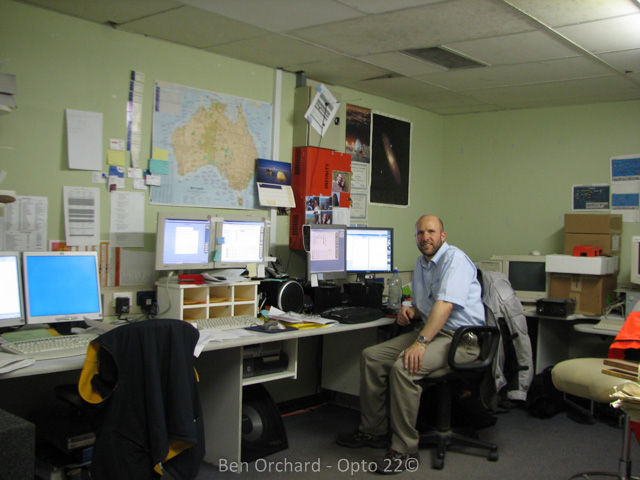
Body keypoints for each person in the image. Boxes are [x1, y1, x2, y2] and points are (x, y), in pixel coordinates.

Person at [336, 214, 485, 474]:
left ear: (442, 236)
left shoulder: (455, 260)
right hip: (432, 331)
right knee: (372, 356)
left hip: (461, 339)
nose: (425, 237)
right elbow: (426, 304)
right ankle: (374, 431)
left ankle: (404, 450)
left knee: (405, 367)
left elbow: (445, 305)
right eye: (420, 233)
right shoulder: (421, 263)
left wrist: (420, 342)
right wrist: (412, 311)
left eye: (431, 232)